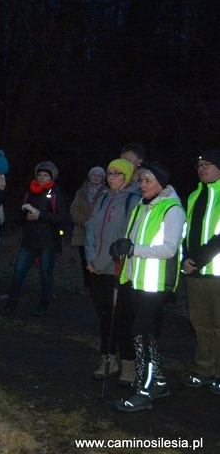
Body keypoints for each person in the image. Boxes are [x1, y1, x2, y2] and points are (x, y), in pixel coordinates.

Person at [110, 162, 185, 412]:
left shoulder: (172, 209)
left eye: (148, 181)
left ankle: (143, 389)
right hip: (136, 281)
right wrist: (122, 246)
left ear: (161, 183)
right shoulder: (143, 206)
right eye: (141, 180)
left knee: (140, 334)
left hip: (155, 283)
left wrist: (133, 249)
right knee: (146, 333)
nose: (142, 185)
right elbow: (133, 239)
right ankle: (159, 381)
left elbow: (168, 249)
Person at [84, 159, 140, 385]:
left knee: (123, 318)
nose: (112, 177)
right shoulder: (104, 198)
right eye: (110, 173)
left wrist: (101, 262)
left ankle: (129, 363)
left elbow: (126, 237)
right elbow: (91, 232)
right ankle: (107, 359)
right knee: (105, 317)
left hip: (118, 269)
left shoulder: (133, 201)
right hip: (96, 269)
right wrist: (90, 260)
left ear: (126, 176)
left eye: (117, 173)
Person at [0, 161, 69, 317]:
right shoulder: (29, 192)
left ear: (52, 177)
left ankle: (43, 303)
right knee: (19, 271)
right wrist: (25, 215)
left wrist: (40, 216)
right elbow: (19, 214)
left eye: (45, 175)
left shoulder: (56, 193)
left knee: (45, 273)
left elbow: (62, 218)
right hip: (29, 239)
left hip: (48, 241)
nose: (42, 178)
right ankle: (11, 302)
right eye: (40, 174)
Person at [181, 150, 220, 395]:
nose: (202, 169)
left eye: (207, 165)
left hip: (215, 273)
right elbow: (187, 232)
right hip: (195, 273)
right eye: (199, 165)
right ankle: (204, 371)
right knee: (200, 324)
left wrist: (198, 259)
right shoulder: (195, 194)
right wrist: (185, 259)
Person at [70, 166, 106, 294]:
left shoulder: (107, 192)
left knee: (99, 259)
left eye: (99, 175)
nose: (96, 177)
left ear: (103, 179)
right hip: (82, 231)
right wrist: (83, 221)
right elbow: (74, 209)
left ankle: (99, 287)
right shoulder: (80, 192)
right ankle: (88, 287)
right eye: (94, 175)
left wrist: (96, 222)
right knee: (85, 260)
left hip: (100, 232)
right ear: (89, 176)